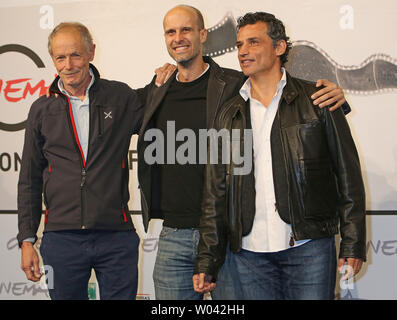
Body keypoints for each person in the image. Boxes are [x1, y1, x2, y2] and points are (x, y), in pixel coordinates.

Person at [137, 5, 350, 300]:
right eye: (170, 31)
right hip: (178, 233)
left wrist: (336, 96)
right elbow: (105, 100)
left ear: (202, 35)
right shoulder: (155, 91)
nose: (178, 37)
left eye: (185, 29)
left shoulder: (235, 85)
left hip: (234, 233)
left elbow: (282, 88)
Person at [193, 12, 366, 300]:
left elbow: (347, 175)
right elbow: (214, 193)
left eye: (253, 42)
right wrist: (207, 258)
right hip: (247, 256)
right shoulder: (229, 114)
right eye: (238, 45)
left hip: (309, 248)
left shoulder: (318, 101)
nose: (243, 52)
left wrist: (353, 243)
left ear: (279, 47)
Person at [17, 22, 143, 300]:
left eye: (75, 55)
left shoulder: (121, 97)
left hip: (116, 235)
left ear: (91, 53)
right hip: (61, 238)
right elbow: (29, 179)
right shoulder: (41, 109)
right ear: (53, 60)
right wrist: (27, 239)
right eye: (60, 57)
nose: (69, 64)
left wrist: (167, 78)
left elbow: (161, 113)